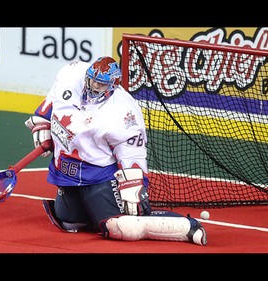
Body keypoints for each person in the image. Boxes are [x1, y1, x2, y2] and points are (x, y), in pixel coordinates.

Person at [24, 56, 207, 246]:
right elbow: (53, 100)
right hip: (67, 172)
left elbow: (132, 154)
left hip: (99, 174)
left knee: (117, 226)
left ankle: (185, 227)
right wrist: (42, 122)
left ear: (113, 85)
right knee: (70, 222)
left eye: (102, 84)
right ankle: (97, 212)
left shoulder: (124, 112)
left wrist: (135, 186)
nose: (95, 87)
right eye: (93, 80)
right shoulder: (70, 74)